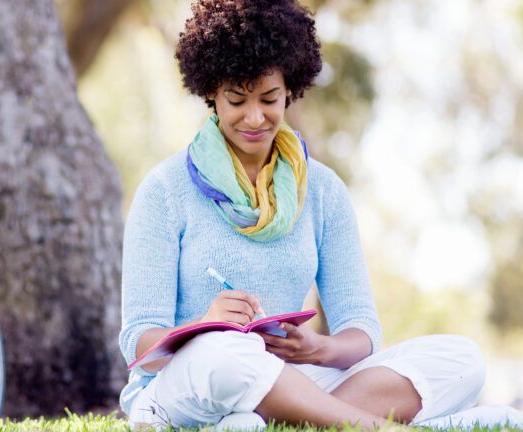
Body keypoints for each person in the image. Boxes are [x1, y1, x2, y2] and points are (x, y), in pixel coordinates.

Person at [118, 0, 522, 429]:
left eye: (270, 98)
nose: (255, 117)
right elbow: (139, 344)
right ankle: (376, 426)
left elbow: (361, 331)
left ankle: (277, 420)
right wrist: (205, 326)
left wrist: (316, 349)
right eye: (237, 100)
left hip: (293, 377)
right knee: (223, 354)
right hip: (191, 383)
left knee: (462, 359)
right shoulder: (165, 190)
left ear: (290, 89)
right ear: (211, 96)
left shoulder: (323, 189)